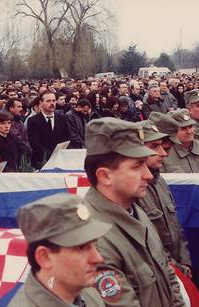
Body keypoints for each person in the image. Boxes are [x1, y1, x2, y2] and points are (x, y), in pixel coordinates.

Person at [81, 118, 185, 307]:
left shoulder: (135, 212)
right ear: (105, 176)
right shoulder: (93, 242)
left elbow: (168, 276)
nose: (148, 174)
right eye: (137, 166)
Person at [9, 193, 110, 307]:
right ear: (45, 257)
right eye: (81, 247)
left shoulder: (86, 292)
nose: (98, 258)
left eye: (94, 243)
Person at [137, 114, 192, 275]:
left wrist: (185, 262)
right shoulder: (136, 189)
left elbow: (176, 227)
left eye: (163, 146)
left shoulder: (159, 181)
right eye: (155, 147)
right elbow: (150, 243)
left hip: (176, 267)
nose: (164, 153)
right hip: (162, 271)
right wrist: (176, 268)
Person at [27, 91, 71, 169]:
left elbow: (67, 138)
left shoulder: (62, 118)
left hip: (60, 160)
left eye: (54, 101)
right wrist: (50, 155)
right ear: (41, 103)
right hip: (41, 162)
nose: (52, 103)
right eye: (48, 101)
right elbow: (35, 143)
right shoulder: (33, 121)